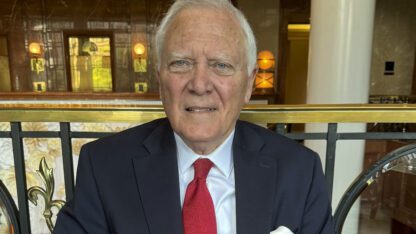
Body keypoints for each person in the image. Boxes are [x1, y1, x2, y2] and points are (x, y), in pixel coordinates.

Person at [54, 0, 334, 233]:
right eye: (181, 63)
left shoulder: (300, 171)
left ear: (249, 84)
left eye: (221, 65)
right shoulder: (104, 167)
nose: (200, 84)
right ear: (160, 79)